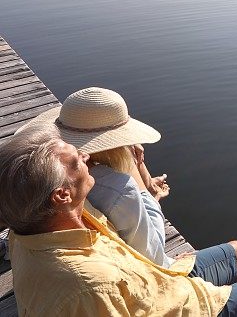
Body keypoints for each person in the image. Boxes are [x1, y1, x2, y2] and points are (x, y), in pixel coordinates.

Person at [0, 122, 237, 317]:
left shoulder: (41, 226)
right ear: (61, 194)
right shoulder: (87, 287)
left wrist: (143, 176)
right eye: (77, 159)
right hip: (184, 307)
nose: (86, 155)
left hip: (162, 280)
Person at [18, 87, 176, 267]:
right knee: (217, 255)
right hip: (144, 280)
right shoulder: (115, 187)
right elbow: (154, 255)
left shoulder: (33, 174)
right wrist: (151, 198)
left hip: (43, 265)